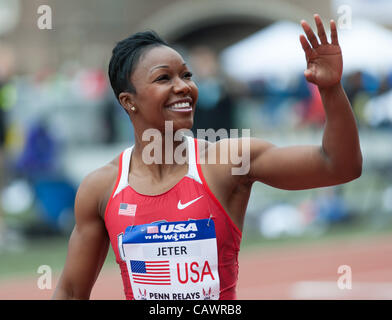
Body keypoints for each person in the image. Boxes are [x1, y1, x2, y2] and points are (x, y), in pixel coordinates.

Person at [52, 14, 362, 300]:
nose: (183, 87)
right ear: (128, 101)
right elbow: (70, 291)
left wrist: (332, 89)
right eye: (164, 79)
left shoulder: (228, 162)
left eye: (187, 75)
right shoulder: (101, 188)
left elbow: (339, 166)